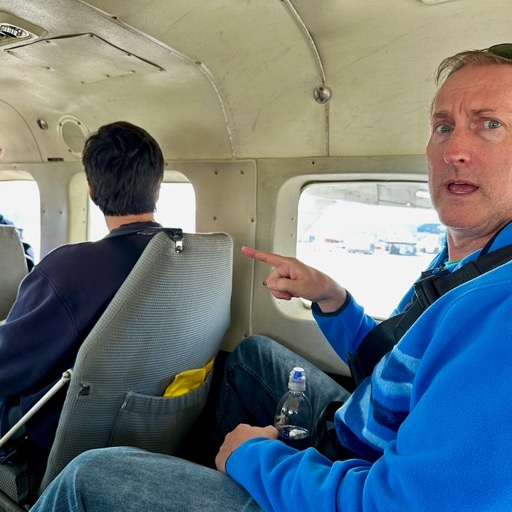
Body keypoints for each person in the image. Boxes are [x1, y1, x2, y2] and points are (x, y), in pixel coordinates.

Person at [32, 44, 512, 511]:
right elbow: (401, 367)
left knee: (92, 475)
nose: (455, 150)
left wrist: (255, 458)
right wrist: (333, 300)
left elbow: (398, 502)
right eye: (442, 127)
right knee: (251, 354)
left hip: (359, 478)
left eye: (489, 125)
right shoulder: (460, 265)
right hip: (362, 430)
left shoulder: (499, 309)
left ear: (92, 188)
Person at [0, 121, 165, 476]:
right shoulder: (190, 261)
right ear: (157, 188)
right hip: (157, 423)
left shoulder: (70, 269)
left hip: (64, 434)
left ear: (91, 190)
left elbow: (5, 366)